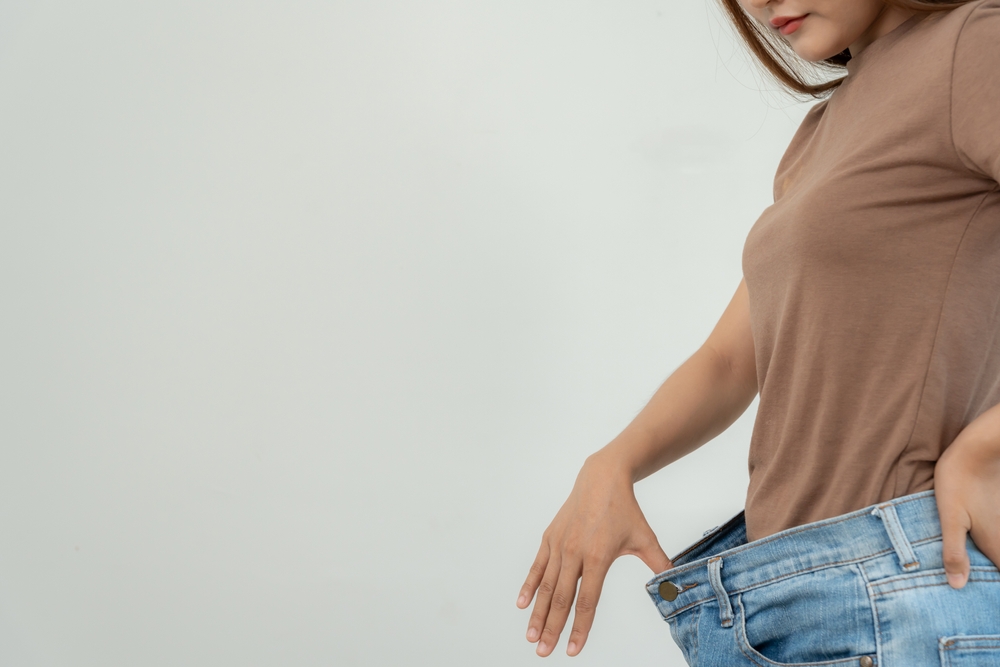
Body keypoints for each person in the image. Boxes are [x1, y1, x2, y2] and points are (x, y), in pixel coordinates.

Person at [515, 0, 1000, 664]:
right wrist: (614, 461)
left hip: (898, 597)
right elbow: (730, 358)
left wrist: (985, 447)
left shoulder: (972, 45)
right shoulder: (819, 133)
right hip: (780, 597)